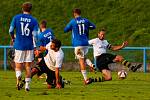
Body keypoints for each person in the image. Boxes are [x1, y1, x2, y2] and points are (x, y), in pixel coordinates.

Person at [9, 2, 39, 91]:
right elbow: (35, 35)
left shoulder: (16, 17)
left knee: (18, 66)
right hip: (29, 46)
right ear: (31, 10)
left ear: (22, 9)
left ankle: (18, 77)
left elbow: (10, 30)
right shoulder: (34, 20)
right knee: (28, 66)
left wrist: (13, 38)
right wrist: (36, 46)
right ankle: (27, 86)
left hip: (19, 45)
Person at [64, 8, 96, 84]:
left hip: (78, 44)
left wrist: (72, 28)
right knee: (84, 57)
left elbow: (65, 30)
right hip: (86, 43)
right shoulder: (86, 20)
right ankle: (91, 64)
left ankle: (86, 79)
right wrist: (87, 27)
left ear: (74, 14)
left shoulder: (73, 21)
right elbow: (93, 27)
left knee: (81, 61)